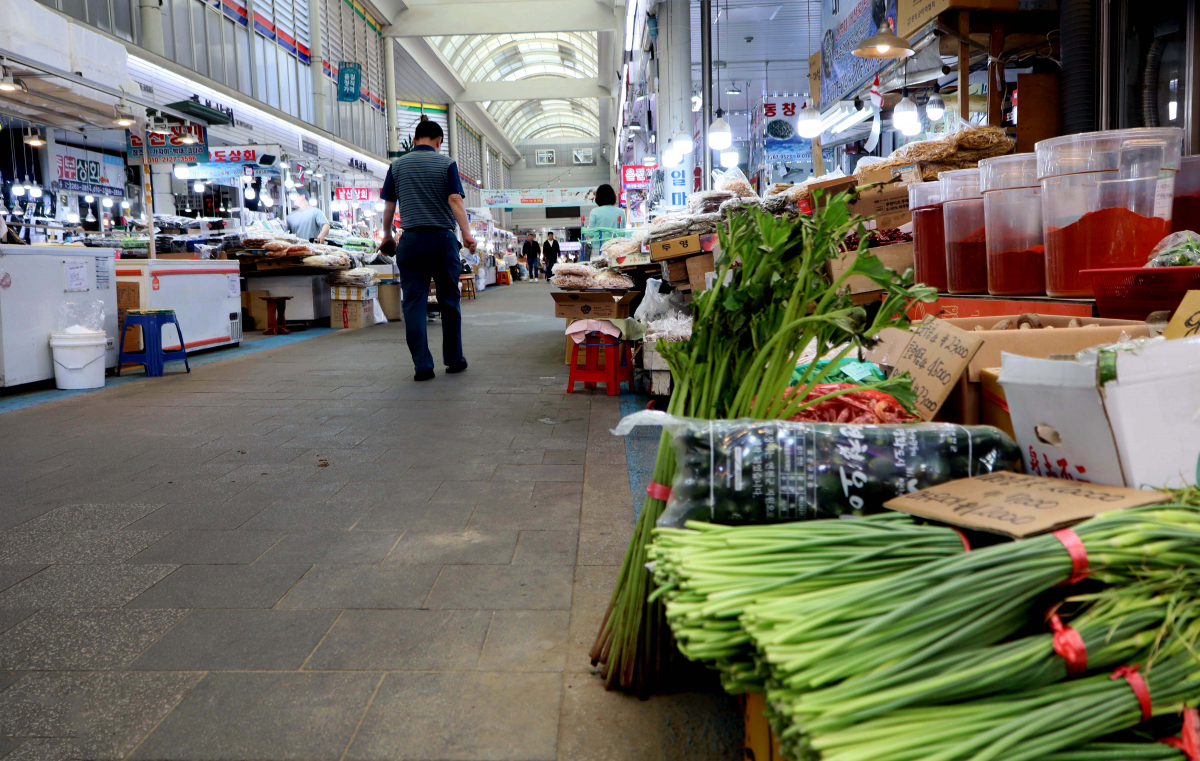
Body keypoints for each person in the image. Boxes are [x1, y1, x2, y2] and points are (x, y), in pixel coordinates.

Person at [378, 117, 476, 382]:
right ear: (438, 141)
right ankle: (454, 360)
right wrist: (466, 234)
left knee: (413, 305)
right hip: (442, 240)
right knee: (449, 301)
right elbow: (454, 199)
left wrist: (387, 235)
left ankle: (422, 366)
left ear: (415, 139)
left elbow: (388, 207)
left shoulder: (397, 166)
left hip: (410, 242)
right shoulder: (446, 164)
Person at [584, 183, 625, 257]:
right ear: (613, 196)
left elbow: (591, 234)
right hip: (615, 249)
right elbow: (623, 233)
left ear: (598, 197)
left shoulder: (594, 212)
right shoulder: (620, 212)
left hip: (598, 249)